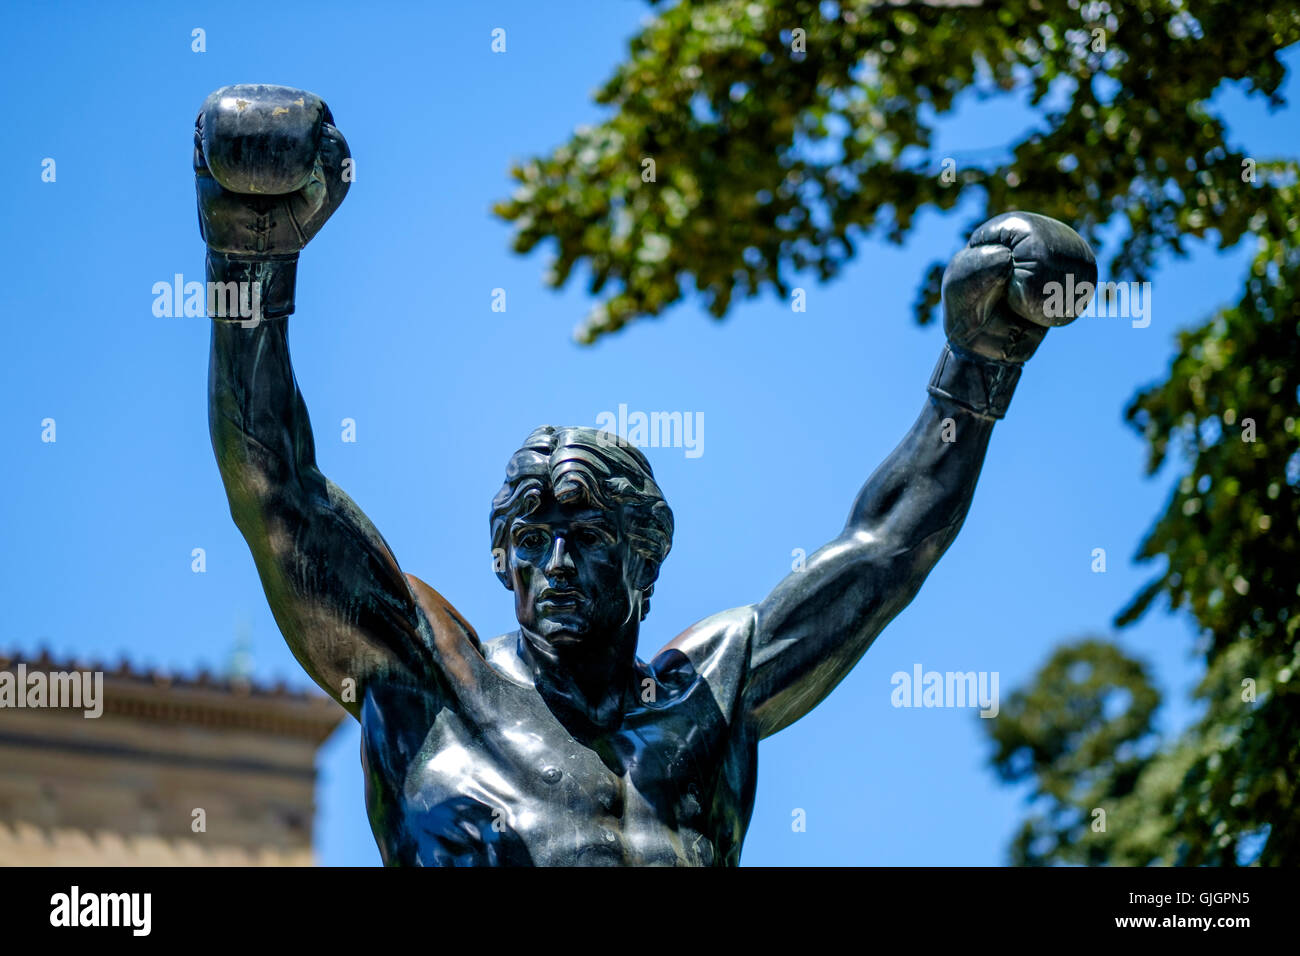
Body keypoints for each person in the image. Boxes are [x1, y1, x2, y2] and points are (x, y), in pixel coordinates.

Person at [197, 84, 1096, 866]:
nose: (554, 567)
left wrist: (982, 364)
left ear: (646, 563)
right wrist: (249, 258)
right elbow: (278, 495)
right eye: (532, 541)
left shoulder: (706, 703)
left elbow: (885, 549)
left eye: (587, 540)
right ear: (503, 561)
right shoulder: (432, 685)